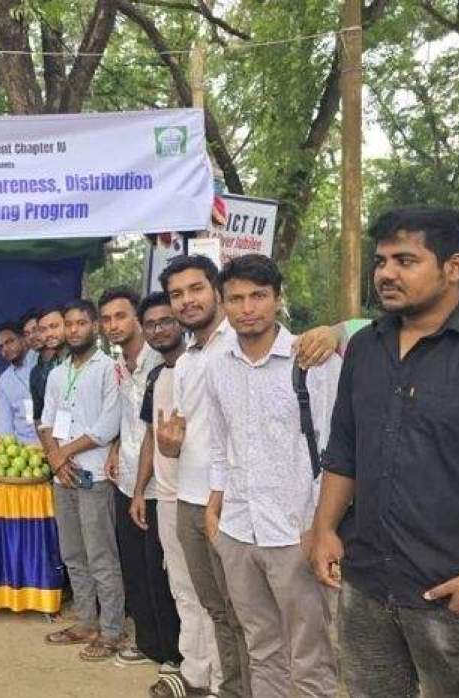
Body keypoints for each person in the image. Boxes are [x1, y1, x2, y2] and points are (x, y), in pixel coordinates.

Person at [309, 206, 459, 698]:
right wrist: (323, 531)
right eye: (381, 261)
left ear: (454, 267)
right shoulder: (366, 349)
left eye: (405, 260)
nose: (386, 274)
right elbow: (344, 451)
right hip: (365, 583)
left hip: (451, 590)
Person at [157, 254, 339, 698]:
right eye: (236, 298)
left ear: (278, 299)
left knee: (310, 654)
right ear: (225, 303)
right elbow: (221, 445)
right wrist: (218, 507)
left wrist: (322, 527)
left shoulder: (313, 362)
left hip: (295, 530)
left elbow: (337, 451)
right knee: (261, 647)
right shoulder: (219, 367)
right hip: (237, 528)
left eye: (258, 296)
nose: (247, 308)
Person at [131, 293, 221, 698]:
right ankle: (194, 672)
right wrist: (140, 491)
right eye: (151, 324)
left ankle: (222, 680)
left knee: (214, 595)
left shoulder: (204, 364)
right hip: (167, 498)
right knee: (183, 589)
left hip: (205, 498)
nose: (159, 330)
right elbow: (152, 437)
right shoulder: (157, 377)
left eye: (165, 321)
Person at [96, 288, 181, 671]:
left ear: (137, 321)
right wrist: (114, 447)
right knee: (134, 568)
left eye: (121, 316)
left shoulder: (160, 364)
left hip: (154, 486)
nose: (114, 325)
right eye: (108, 319)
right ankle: (148, 644)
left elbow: (151, 431)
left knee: (160, 571)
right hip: (126, 480)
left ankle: (174, 653)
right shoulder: (121, 364)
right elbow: (129, 423)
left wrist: (141, 489)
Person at [40, 299, 125, 662]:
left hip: (94, 475)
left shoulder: (110, 369)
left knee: (100, 554)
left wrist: (64, 453)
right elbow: (45, 423)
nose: (74, 330)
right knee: (73, 553)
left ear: (95, 327)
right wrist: (54, 458)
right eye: (68, 324)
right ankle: (86, 621)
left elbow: (108, 425)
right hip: (63, 478)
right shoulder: (58, 373)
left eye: (80, 323)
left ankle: (111, 631)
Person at [0, 320, 39, 445]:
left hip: (52, 443)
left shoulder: (41, 361)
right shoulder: (5, 379)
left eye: (9, 341)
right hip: (24, 449)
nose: (6, 349)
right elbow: (5, 423)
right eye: (1, 347)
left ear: (22, 339)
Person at [30, 305, 66, 429]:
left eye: (54, 326)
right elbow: (39, 418)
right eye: (43, 329)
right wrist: (52, 448)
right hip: (55, 442)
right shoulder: (40, 373)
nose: (49, 334)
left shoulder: (82, 362)